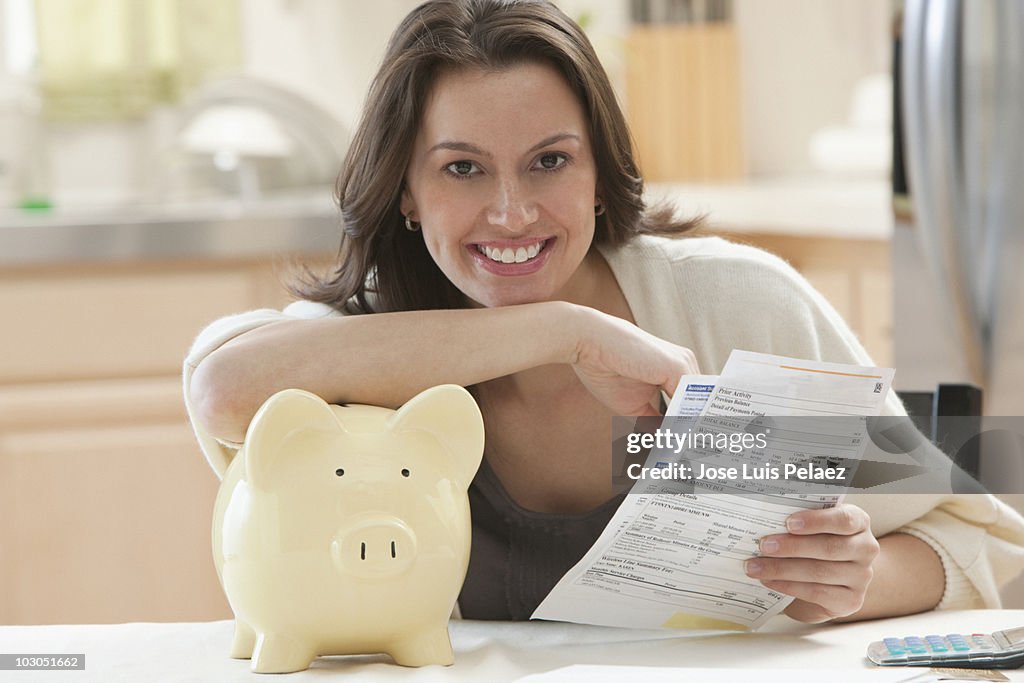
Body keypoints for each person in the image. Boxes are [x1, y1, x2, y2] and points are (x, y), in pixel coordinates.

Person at [185, 0, 1024, 623]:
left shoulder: (731, 312)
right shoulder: (369, 352)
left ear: (599, 169)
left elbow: (982, 535)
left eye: (549, 161)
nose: (511, 213)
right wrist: (558, 329)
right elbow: (224, 389)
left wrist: (849, 583)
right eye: (462, 169)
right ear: (405, 190)